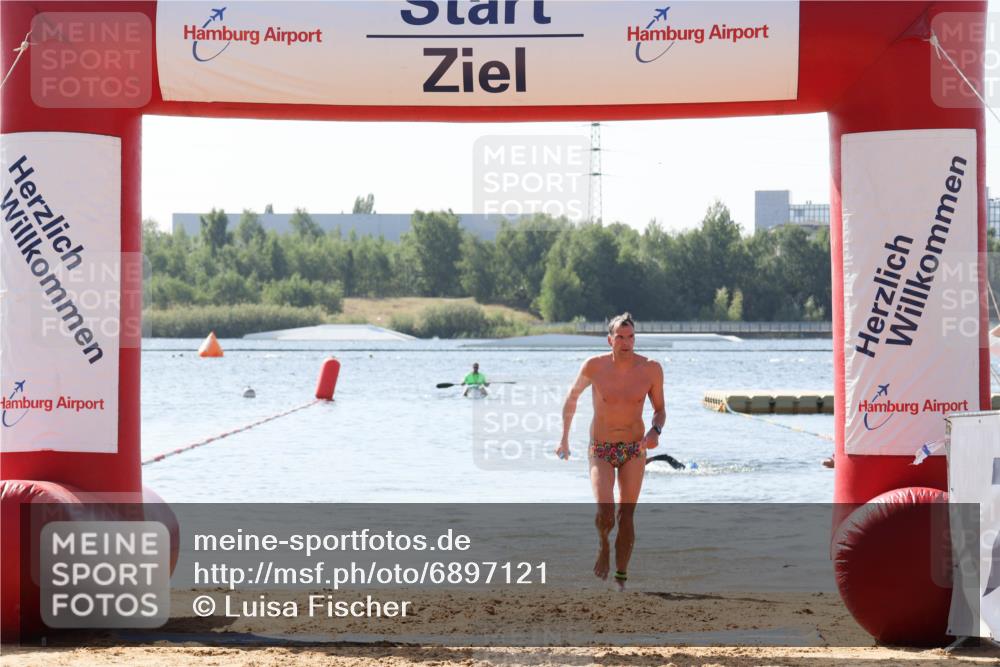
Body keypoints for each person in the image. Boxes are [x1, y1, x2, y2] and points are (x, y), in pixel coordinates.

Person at [556, 312, 665, 591]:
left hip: (634, 448)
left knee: (626, 515)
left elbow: (660, 410)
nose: (626, 342)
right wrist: (564, 439)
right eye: (620, 337)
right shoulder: (594, 366)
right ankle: (603, 545)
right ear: (609, 340)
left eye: (630, 337)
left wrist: (655, 431)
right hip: (600, 449)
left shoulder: (651, 369)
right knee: (605, 511)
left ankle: (621, 577)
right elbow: (571, 399)